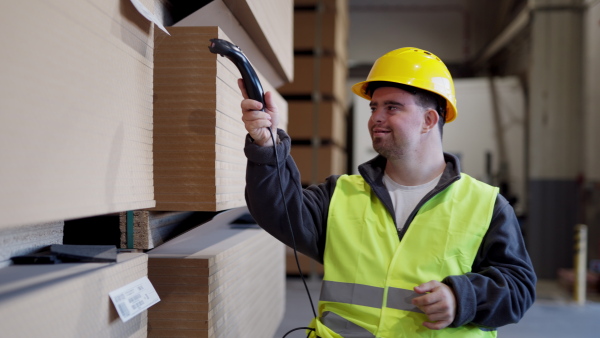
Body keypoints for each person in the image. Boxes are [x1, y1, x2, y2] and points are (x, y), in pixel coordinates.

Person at [239, 47, 536, 337]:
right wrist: (267, 147)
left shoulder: (486, 205)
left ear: (429, 120)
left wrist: (462, 298)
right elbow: (278, 211)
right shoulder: (340, 194)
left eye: (392, 107)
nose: (375, 117)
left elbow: (519, 288)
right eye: (373, 107)